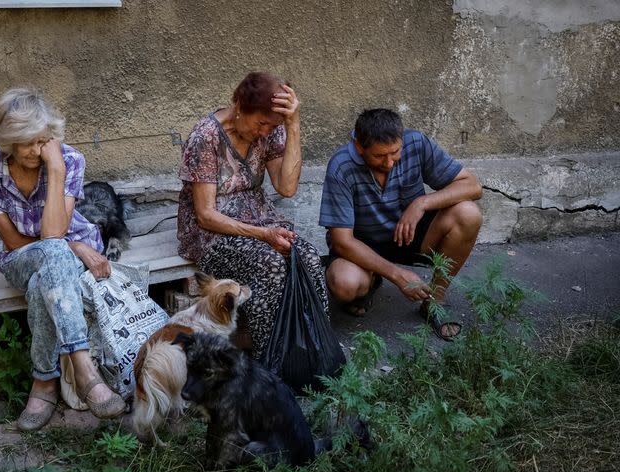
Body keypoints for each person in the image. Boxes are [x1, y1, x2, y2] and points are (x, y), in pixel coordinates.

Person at [0, 88, 125, 431]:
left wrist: (55, 170)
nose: (35, 151)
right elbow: (13, 241)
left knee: (46, 277)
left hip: (56, 257)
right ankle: (85, 370)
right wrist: (77, 247)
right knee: (54, 252)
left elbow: (55, 233)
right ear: (6, 140)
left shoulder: (68, 160)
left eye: (42, 141)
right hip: (21, 257)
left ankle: (43, 383)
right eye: (25, 142)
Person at [177, 72, 328, 359]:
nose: (265, 132)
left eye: (273, 126)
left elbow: (287, 187)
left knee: (306, 255)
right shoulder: (206, 136)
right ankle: (269, 360)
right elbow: (206, 215)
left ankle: (316, 351)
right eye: (260, 123)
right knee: (270, 264)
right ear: (239, 106)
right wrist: (263, 235)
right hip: (210, 233)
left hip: (259, 219)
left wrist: (293, 125)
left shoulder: (271, 130)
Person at [319, 108, 483, 341]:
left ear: (401, 140)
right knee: (344, 284)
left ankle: (433, 302)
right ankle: (372, 278)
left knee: (468, 214)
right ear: (359, 147)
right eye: (378, 156)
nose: (389, 163)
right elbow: (342, 241)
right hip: (363, 246)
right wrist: (397, 275)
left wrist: (422, 203)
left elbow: (472, 186)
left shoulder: (416, 143)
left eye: (395, 152)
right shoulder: (341, 166)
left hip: (410, 237)